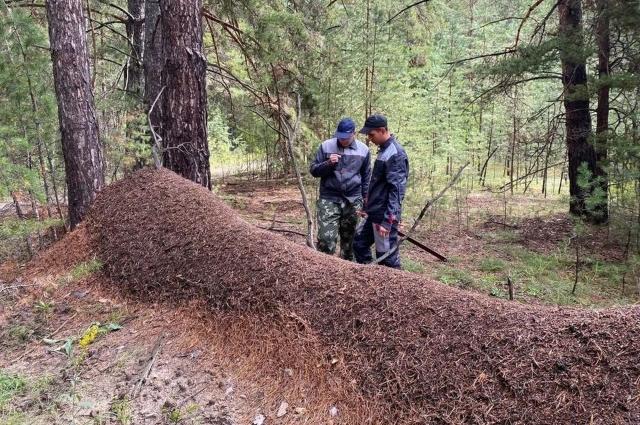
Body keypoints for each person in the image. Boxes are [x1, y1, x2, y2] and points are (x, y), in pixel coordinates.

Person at [310, 117, 371, 260]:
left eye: (346, 137)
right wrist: (328, 163)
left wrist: (366, 204)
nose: (343, 140)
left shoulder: (363, 150)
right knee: (326, 239)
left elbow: (366, 177)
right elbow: (313, 170)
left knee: (349, 242)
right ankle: (324, 268)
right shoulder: (326, 146)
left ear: (354, 133)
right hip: (329, 199)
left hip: (353, 200)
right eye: (340, 137)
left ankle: (347, 271)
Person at [353, 114, 409, 269]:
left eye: (371, 134)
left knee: (387, 258)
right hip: (374, 212)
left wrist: (388, 221)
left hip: (384, 216)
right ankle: (372, 278)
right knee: (359, 244)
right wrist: (367, 207)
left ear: (382, 130)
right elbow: (377, 184)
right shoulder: (384, 150)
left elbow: (396, 191)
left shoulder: (395, 154)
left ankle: (395, 289)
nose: (369, 138)